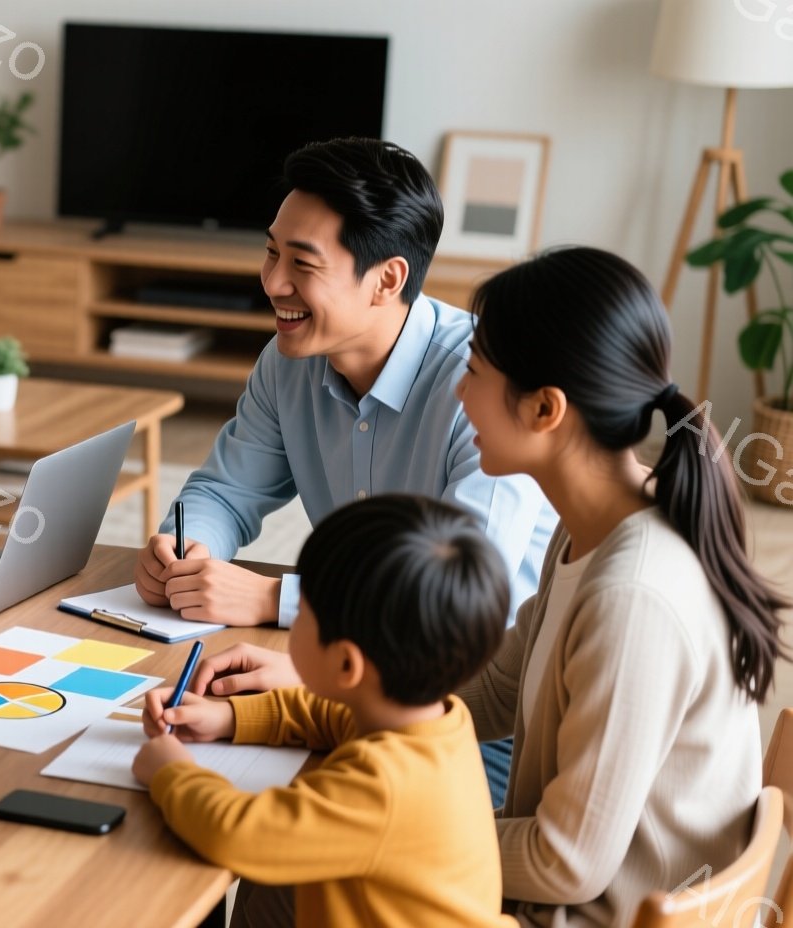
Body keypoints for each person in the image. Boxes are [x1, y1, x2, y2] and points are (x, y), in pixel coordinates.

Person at [138, 137, 555, 806]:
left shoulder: (483, 383)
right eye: (271, 252)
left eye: (302, 264)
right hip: (355, 676)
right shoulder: (288, 360)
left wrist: (277, 601)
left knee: (267, 817)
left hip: (479, 710)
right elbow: (225, 488)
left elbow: (460, 593)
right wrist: (188, 550)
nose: (273, 283)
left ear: (387, 279)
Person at [451, 247, 786, 925]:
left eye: (474, 370)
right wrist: (330, 705)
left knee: (307, 878)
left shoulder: (633, 594)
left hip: (585, 910)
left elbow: (564, 861)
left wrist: (407, 831)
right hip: (568, 895)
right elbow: (496, 690)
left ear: (545, 408)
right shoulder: (593, 525)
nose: (459, 393)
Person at [133, 495, 516, 928]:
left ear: (347, 666)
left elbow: (238, 834)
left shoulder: (382, 788)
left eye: (303, 615)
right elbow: (331, 715)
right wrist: (229, 718)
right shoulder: (438, 720)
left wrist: (171, 771)